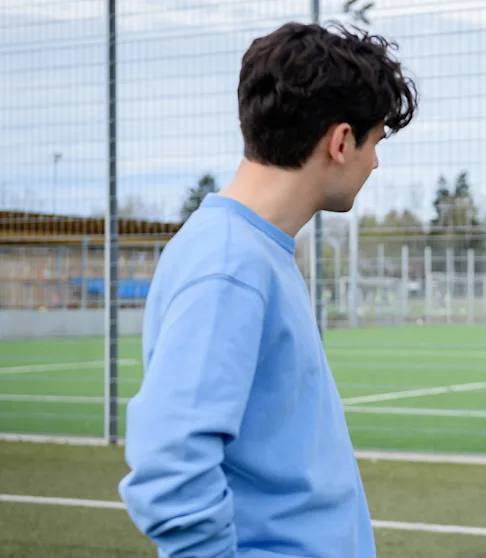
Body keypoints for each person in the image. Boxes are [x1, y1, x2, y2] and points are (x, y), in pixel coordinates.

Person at [118, 21, 417, 558]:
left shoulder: (252, 250)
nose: (375, 162)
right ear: (341, 142)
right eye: (375, 142)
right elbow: (170, 471)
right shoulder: (229, 265)